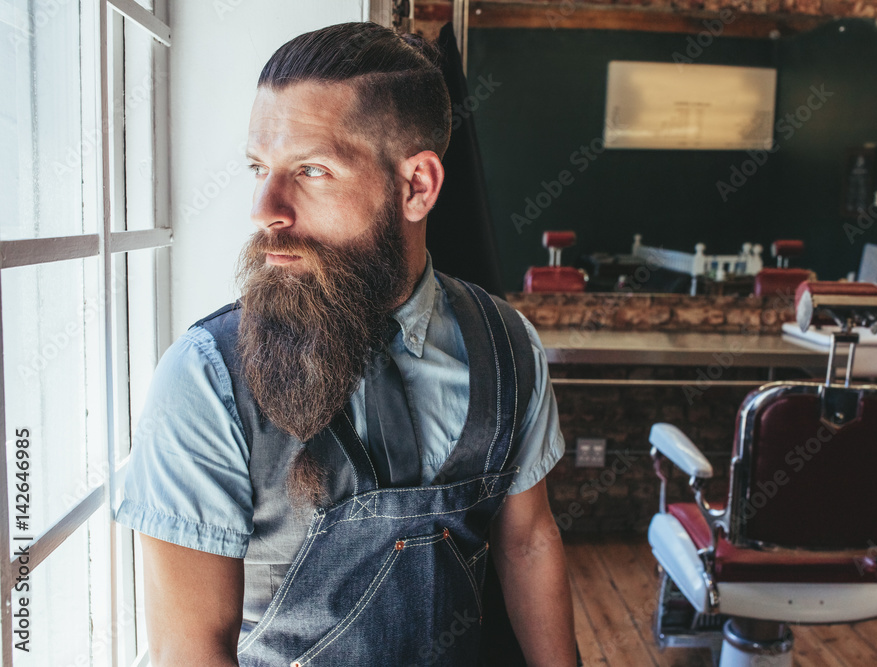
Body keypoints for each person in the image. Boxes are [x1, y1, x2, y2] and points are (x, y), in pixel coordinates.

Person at [114, 22, 577, 666]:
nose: (264, 207)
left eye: (310, 169)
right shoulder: (205, 379)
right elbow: (189, 650)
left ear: (417, 185)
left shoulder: (507, 347)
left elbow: (527, 543)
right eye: (259, 167)